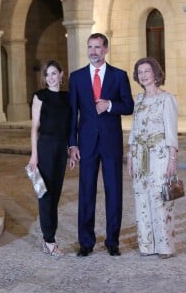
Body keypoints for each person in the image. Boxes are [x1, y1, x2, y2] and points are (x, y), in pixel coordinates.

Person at [68, 33, 134, 257]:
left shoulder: (119, 76)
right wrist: (72, 145)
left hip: (111, 142)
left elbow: (129, 106)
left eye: (97, 47)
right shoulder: (76, 77)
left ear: (105, 49)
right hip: (86, 144)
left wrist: (110, 105)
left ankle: (112, 241)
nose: (93, 51)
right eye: (90, 47)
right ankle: (86, 242)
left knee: (114, 191)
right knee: (86, 192)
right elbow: (72, 114)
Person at [127, 57, 178, 259]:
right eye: (140, 72)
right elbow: (135, 129)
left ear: (156, 74)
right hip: (140, 155)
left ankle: (165, 246)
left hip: (159, 155)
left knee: (161, 199)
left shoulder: (167, 99)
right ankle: (147, 245)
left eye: (147, 71)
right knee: (141, 198)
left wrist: (172, 159)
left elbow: (171, 131)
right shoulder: (138, 99)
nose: (143, 75)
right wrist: (130, 156)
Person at [28, 60, 70, 256]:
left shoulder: (67, 98)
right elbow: (35, 128)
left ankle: (49, 237)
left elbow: (70, 127)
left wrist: (70, 150)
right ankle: (49, 240)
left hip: (61, 148)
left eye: (54, 73)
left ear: (62, 75)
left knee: (56, 194)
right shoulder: (40, 96)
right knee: (45, 194)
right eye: (48, 74)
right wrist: (34, 156)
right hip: (45, 146)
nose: (51, 77)